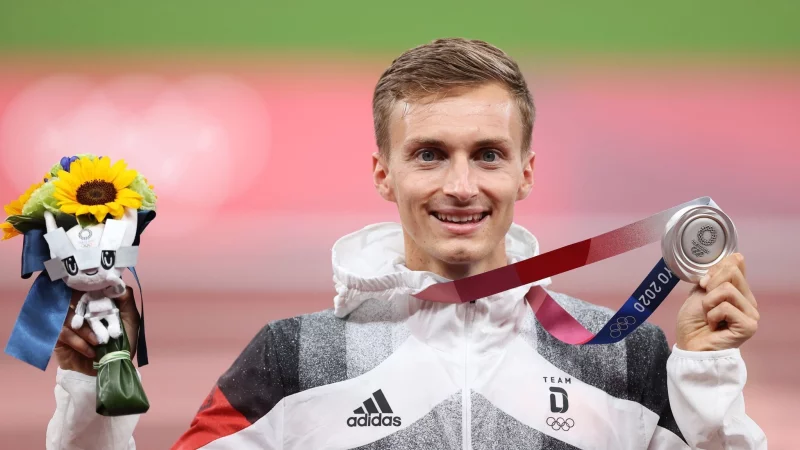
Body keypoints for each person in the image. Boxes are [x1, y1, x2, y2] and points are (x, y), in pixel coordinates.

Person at [45, 38, 767, 450]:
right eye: (429, 155)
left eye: (488, 154)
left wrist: (705, 379)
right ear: (383, 173)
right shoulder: (293, 359)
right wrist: (92, 398)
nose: (461, 185)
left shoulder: (627, 360)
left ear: (526, 171)